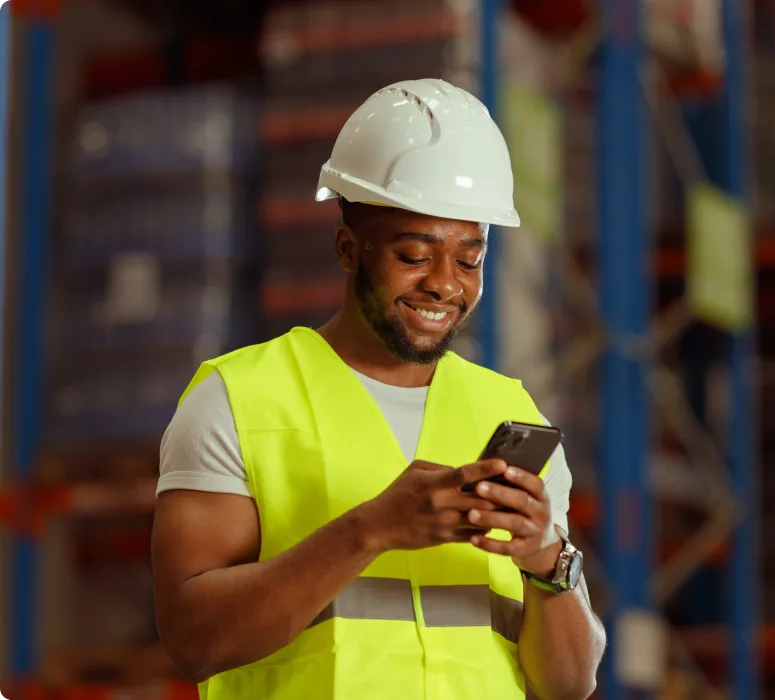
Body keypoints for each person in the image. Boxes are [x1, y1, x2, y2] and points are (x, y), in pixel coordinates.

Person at [152, 78, 606, 700]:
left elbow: (570, 685)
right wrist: (368, 531)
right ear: (348, 248)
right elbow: (193, 642)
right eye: (415, 255)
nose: (446, 285)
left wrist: (547, 561)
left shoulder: (508, 411)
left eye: (469, 260)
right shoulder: (237, 399)